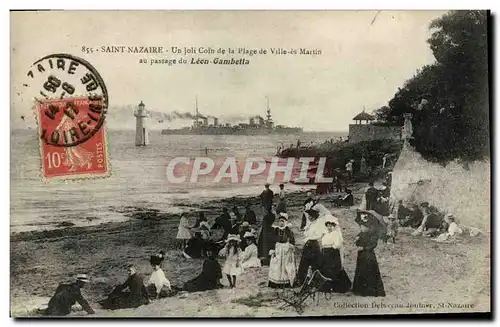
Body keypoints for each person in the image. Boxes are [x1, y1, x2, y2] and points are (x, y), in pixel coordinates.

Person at [352, 217, 386, 297]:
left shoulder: (372, 235)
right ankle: (359, 290)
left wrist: (363, 248)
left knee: (369, 271)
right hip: (361, 255)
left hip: (369, 255)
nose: (362, 228)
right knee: (361, 270)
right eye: (361, 226)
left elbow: (373, 245)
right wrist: (356, 241)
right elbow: (357, 244)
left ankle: (368, 291)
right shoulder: (360, 234)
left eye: (363, 226)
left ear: (367, 227)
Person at [296, 203, 329, 286]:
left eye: (310, 216)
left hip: (314, 245)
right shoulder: (310, 224)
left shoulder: (318, 224)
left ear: (314, 217)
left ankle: (315, 281)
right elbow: (306, 234)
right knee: (304, 262)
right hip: (308, 244)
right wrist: (307, 236)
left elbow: (319, 235)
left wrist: (310, 237)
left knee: (315, 263)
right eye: (309, 215)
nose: (309, 217)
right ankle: (302, 280)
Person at [319, 216, 352, 293]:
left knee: (334, 269)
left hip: (332, 253)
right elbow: (323, 243)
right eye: (328, 226)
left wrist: (331, 248)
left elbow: (337, 244)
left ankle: (337, 287)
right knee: (325, 269)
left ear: (334, 226)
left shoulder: (336, 234)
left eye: (331, 226)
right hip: (325, 253)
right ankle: (327, 287)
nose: (329, 227)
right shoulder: (326, 234)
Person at [268, 213, 296, 288]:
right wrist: (272, 249)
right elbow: (272, 240)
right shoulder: (276, 230)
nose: (281, 223)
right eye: (280, 221)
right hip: (278, 248)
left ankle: (285, 281)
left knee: (285, 265)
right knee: (276, 265)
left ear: (285, 222)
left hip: (285, 248)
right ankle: (276, 282)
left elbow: (292, 239)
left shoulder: (288, 230)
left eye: (283, 221)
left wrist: (291, 246)